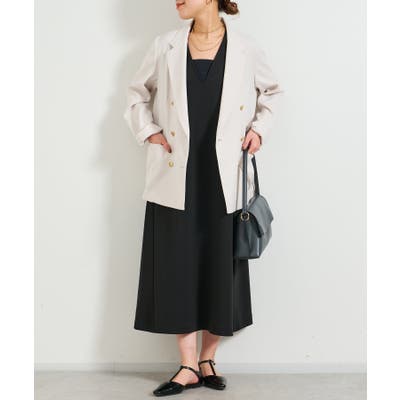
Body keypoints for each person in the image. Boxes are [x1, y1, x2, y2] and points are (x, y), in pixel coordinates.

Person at [123, 0, 283, 396]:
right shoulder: (165, 45)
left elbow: (273, 92)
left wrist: (259, 129)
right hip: (175, 173)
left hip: (224, 176)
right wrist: (149, 132)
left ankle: (207, 359)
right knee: (176, 266)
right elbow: (135, 94)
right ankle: (187, 365)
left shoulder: (246, 48)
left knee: (220, 265)